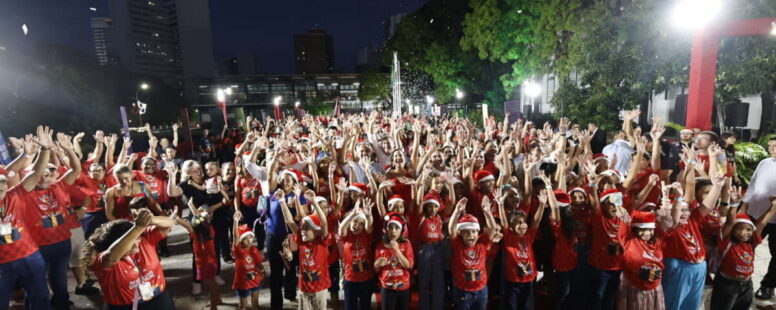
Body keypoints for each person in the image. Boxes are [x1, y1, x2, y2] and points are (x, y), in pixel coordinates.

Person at [0, 127, 54, 309]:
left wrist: (45, 150)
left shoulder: (15, 194)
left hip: (28, 256)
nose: (0, 186)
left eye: (2, 183)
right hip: (1, 263)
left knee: (40, 298)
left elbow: (36, 173)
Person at [711, 188, 776, 310]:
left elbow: (762, 223)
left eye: (748, 230)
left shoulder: (751, 243)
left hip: (747, 284)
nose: (744, 233)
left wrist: (773, 207)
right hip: (727, 285)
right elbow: (730, 222)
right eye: (739, 228)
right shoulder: (727, 242)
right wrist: (734, 204)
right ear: (732, 230)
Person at [278, 189, 330, 310]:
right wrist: (282, 201)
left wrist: (314, 202)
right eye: (302, 227)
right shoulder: (302, 240)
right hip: (303, 289)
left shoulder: (321, 241)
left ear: (317, 231)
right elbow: (290, 222)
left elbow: (324, 224)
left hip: (319, 290)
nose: (302, 231)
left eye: (306, 228)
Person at [448, 197, 500, 310]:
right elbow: (451, 229)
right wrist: (456, 212)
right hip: (463, 291)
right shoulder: (458, 245)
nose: (470, 235)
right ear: (460, 233)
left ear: (478, 233)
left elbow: (492, 228)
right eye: (466, 232)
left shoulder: (482, 244)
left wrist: (487, 212)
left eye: (473, 232)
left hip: (481, 290)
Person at [176, 203, 222, 310]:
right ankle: (216, 299)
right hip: (206, 261)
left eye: (200, 211)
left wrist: (176, 217)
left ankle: (214, 306)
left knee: (211, 284)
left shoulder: (202, 229)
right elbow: (196, 219)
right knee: (210, 283)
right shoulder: (205, 228)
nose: (198, 211)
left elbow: (192, 222)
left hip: (206, 262)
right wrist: (190, 205)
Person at [749, 137, 776, 299]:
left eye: (775, 146)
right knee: (747, 247)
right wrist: (744, 206)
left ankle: (768, 285)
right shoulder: (765, 163)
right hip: (756, 215)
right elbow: (753, 185)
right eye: (770, 146)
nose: (771, 149)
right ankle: (740, 278)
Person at [339, 202, 375, 310]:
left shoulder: (366, 234)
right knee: (350, 306)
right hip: (350, 278)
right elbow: (341, 229)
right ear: (350, 222)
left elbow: (369, 225)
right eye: (355, 221)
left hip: (366, 278)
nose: (357, 225)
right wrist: (351, 215)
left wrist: (368, 215)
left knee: (365, 306)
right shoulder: (346, 235)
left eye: (361, 223)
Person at [375, 212, 414, 310]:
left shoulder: (406, 244)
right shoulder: (380, 246)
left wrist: (397, 250)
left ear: (402, 230)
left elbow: (408, 265)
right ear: (386, 229)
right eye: (390, 228)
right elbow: (376, 269)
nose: (393, 231)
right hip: (387, 288)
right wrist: (376, 264)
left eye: (397, 228)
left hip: (403, 287)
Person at [232, 212, 265, 310]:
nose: (249, 240)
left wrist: (262, 270)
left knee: (255, 303)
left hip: (255, 279)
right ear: (241, 241)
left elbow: (258, 262)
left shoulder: (254, 249)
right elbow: (235, 237)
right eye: (246, 239)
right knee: (243, 306)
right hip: (242, 282)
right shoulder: (238, 250)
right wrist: (236, 222)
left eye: (251, 237)